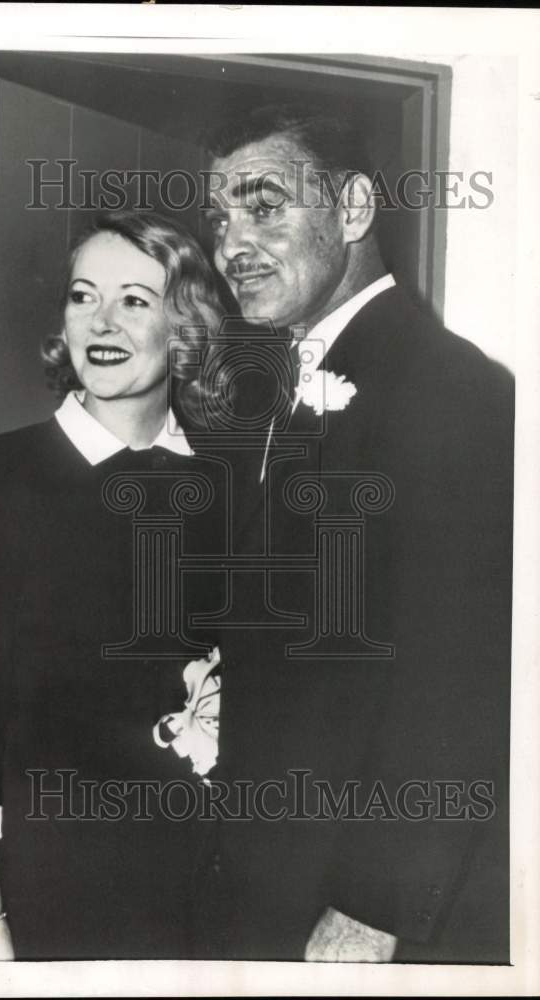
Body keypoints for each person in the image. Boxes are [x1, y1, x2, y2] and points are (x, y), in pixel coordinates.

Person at [191, 102, 514, 963]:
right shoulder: (272, 387)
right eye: (221, 218)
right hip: (267, 882)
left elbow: (466, 677)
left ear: (356, 209)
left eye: (265, 207)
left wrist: (376, 909)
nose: (232, 245)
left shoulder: (454, 393)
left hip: (360, 914)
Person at [0, 210, 227, 960]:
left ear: (185, 326)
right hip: (46, 888)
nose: (101, 321)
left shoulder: (231, 483)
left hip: (210, 887)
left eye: (134, 300)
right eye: (83, 295)